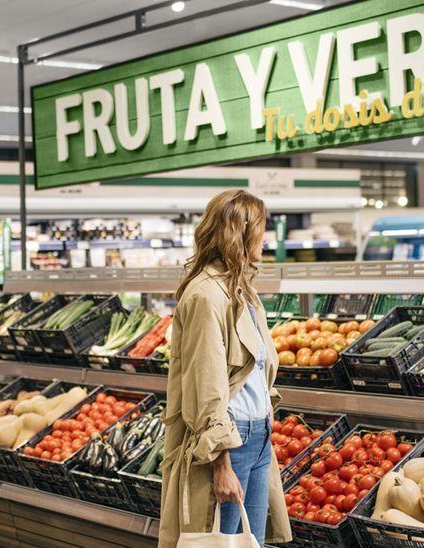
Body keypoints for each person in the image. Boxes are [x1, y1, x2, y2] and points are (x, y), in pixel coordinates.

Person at [158, 190, 290, 547]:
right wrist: (221, 462)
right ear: (240, 233)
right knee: (221, 541)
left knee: (251, 542)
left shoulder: (241, 290)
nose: (266, 238)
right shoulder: (206, 296)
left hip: (259, 437)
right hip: (232, 442)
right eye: (261, 228)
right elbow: (207, 383)